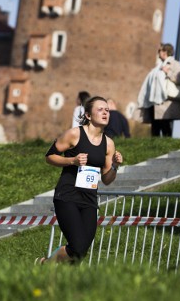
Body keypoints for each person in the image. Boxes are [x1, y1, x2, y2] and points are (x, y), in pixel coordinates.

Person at [39, 96, 123, 264]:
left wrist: (114, 166)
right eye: (100, 109)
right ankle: (46, 264)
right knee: (77, 247)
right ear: (88, 115)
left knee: (81, 250)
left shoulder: (109, 144)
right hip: (67, 196)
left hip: (89, 200)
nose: (105, 112)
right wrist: (72, 161)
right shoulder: (75, 134)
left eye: (107, 110)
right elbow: (49, 156)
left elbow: (106, 179)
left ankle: (64, 279)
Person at [153, 44, 180, 137]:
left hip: (167, 100)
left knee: (165, 125)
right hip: (158, 100)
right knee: (156, 127)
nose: (158, 53)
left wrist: (168, 72)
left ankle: (167, 144)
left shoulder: (174, 63)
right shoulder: (159, 65)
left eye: (160, 51)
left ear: (165, 52)